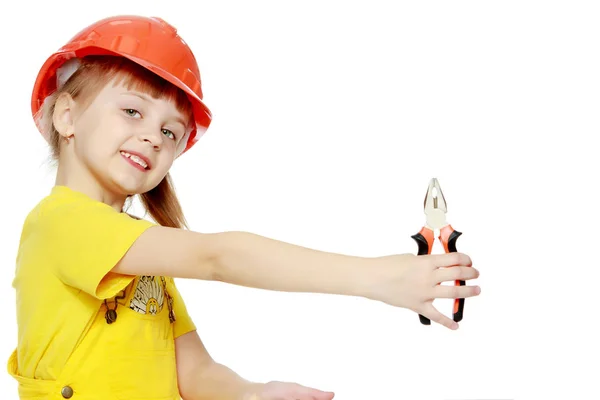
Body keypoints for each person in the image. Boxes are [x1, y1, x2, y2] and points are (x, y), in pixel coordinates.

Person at [7, 14, 480, 400]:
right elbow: (218, 257)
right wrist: (377, 276)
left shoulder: (138, 254)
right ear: (67, 115)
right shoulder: (61, 222)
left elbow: (193, 372)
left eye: (171, 131)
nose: (153, 135)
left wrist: (248, 393)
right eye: (132, 111)